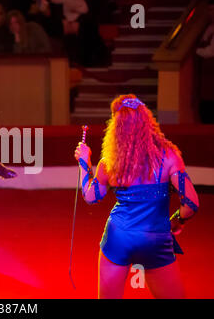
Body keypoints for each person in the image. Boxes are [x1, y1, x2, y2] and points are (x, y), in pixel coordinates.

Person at [74, 94, 199, 299]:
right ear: (148, 122)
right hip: (156, 239)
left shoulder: (110, 163)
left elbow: (91, 196)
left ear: (116, 126)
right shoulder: (169, 156)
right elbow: (191, 204)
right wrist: (177, 220)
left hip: (118, 238)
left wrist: (85, 162)